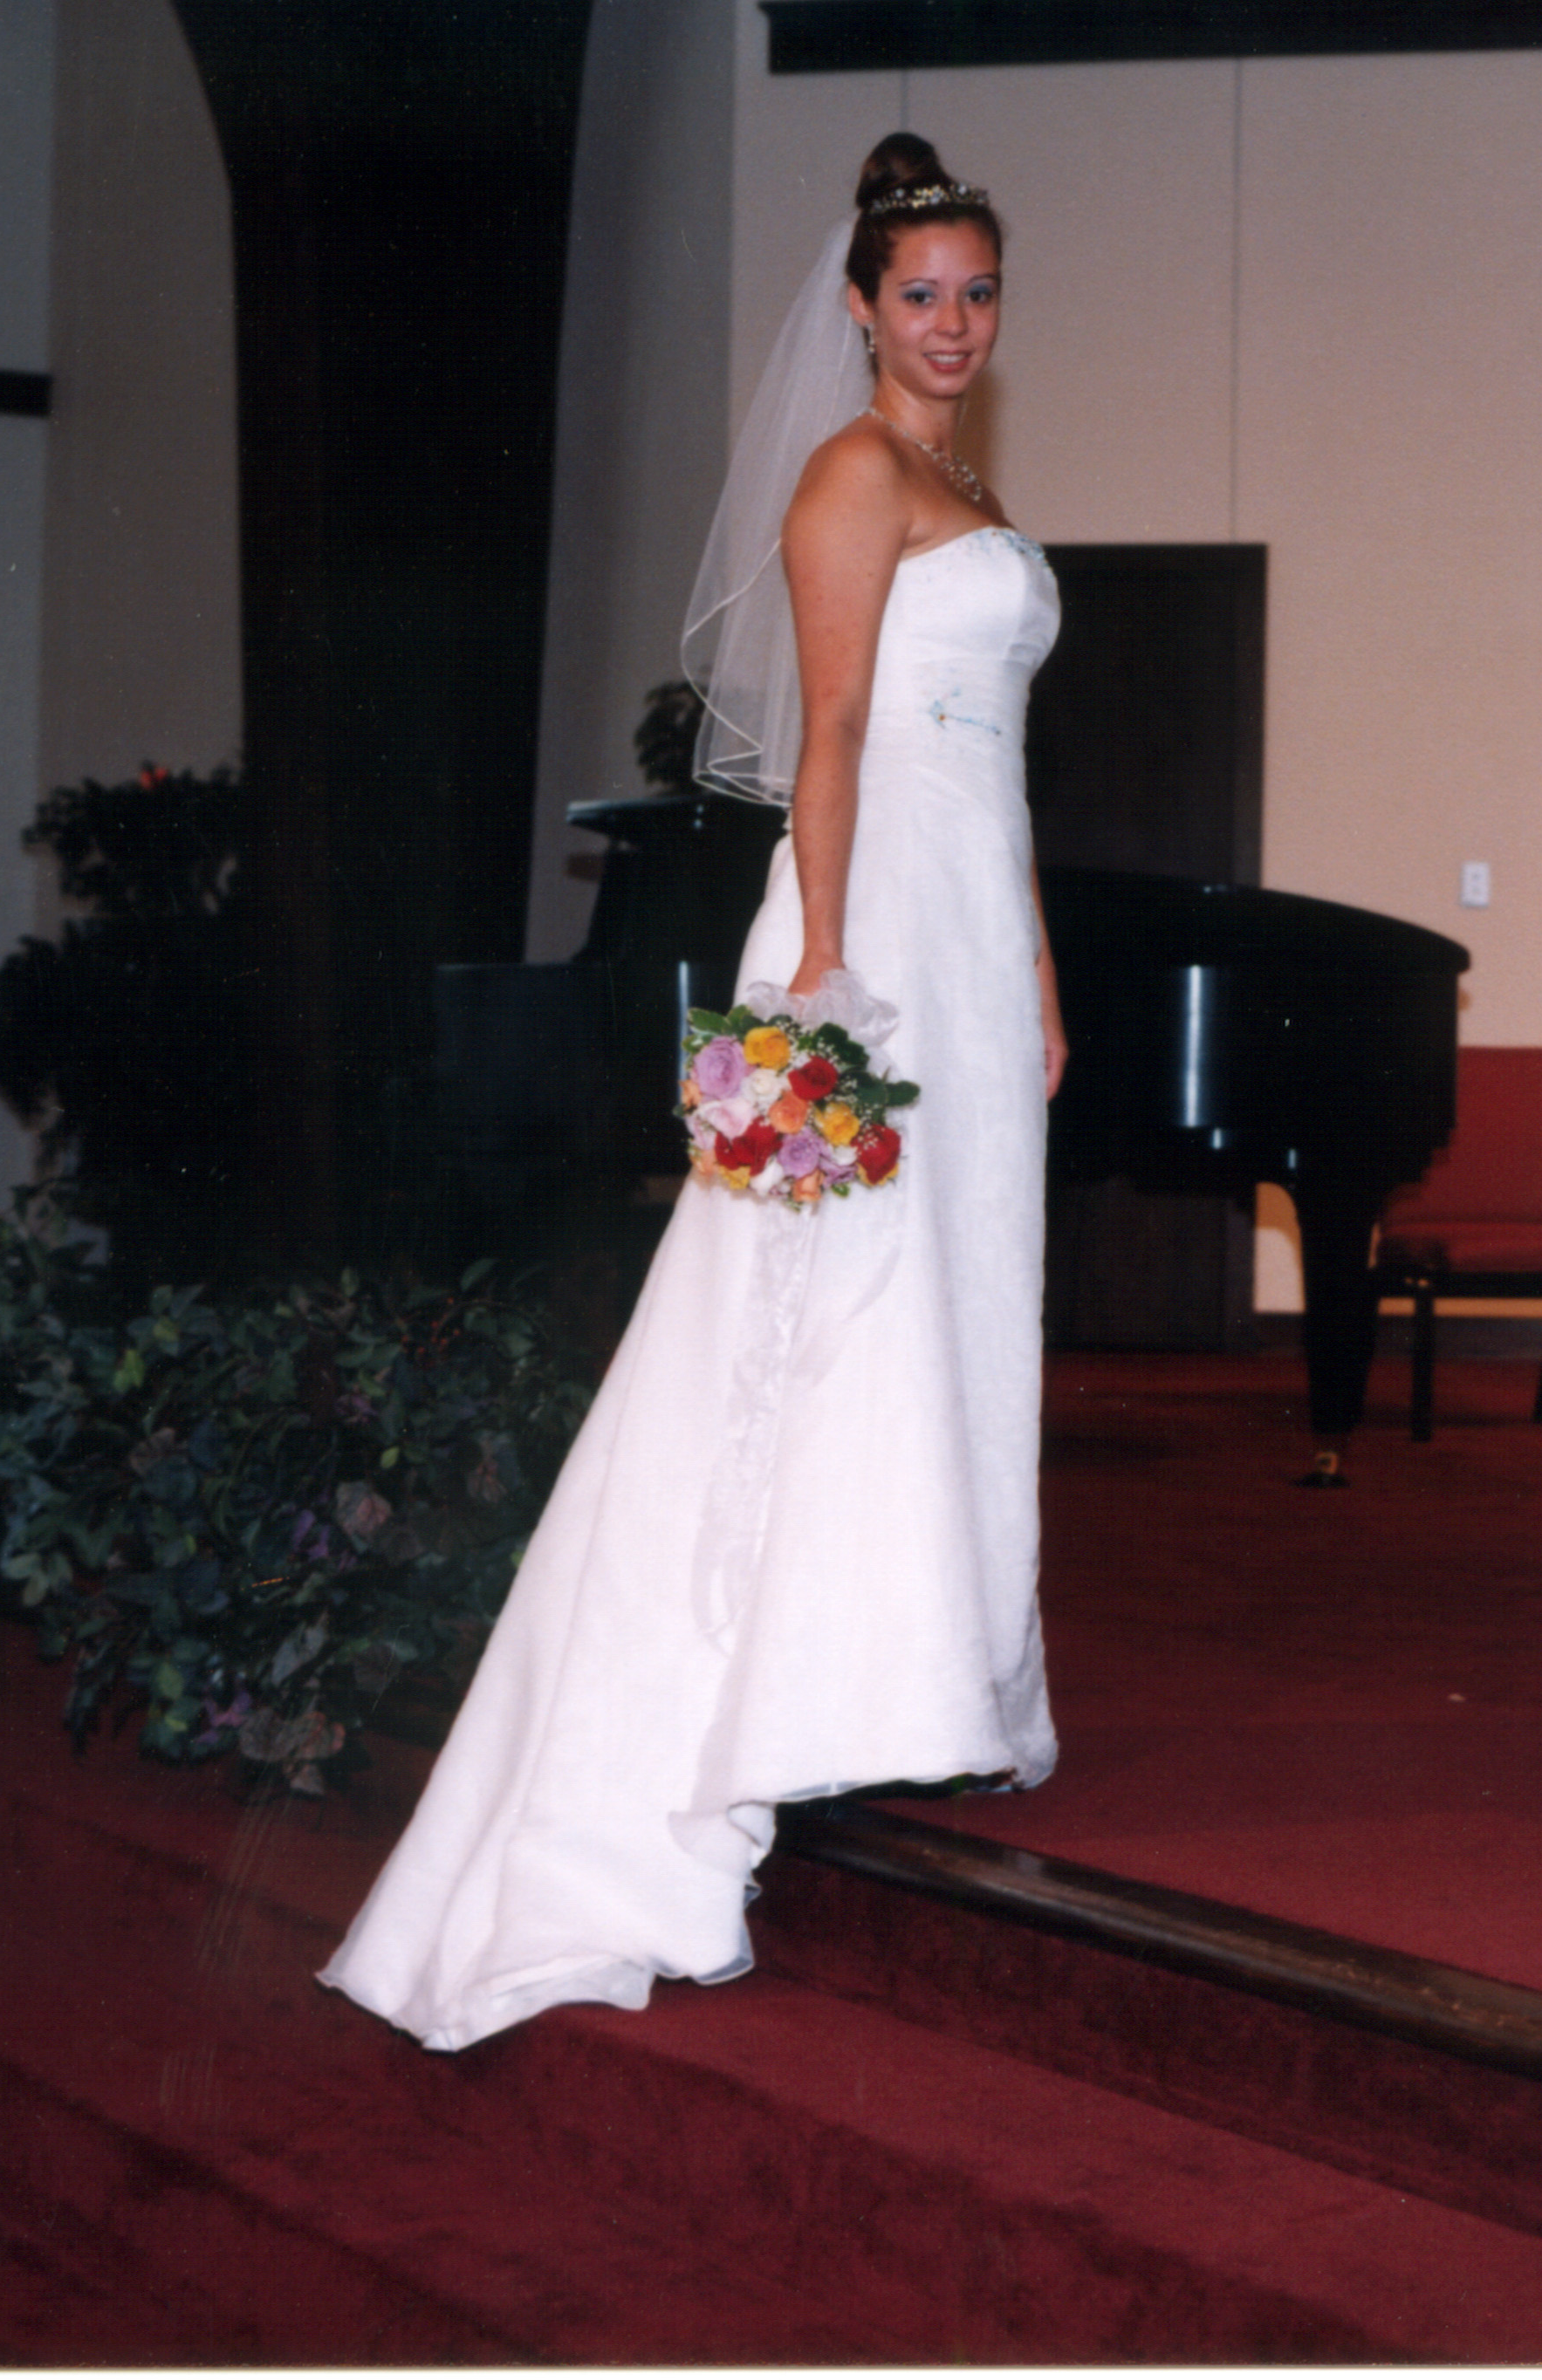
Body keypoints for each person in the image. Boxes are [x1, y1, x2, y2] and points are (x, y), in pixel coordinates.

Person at [319, 133, 1066, 2054]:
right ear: (861, 308)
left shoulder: (970, 486)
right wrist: (819, 973)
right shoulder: (851, 474)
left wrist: (1038, 973)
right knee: (813, 1313)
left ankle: (919, 1676)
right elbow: (831, 732)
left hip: (974, 937)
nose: (953, 324)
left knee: (956, 1298)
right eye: (920, 295)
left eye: (977, 292)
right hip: (862, 936)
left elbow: (992, 767)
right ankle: (755, 1700)